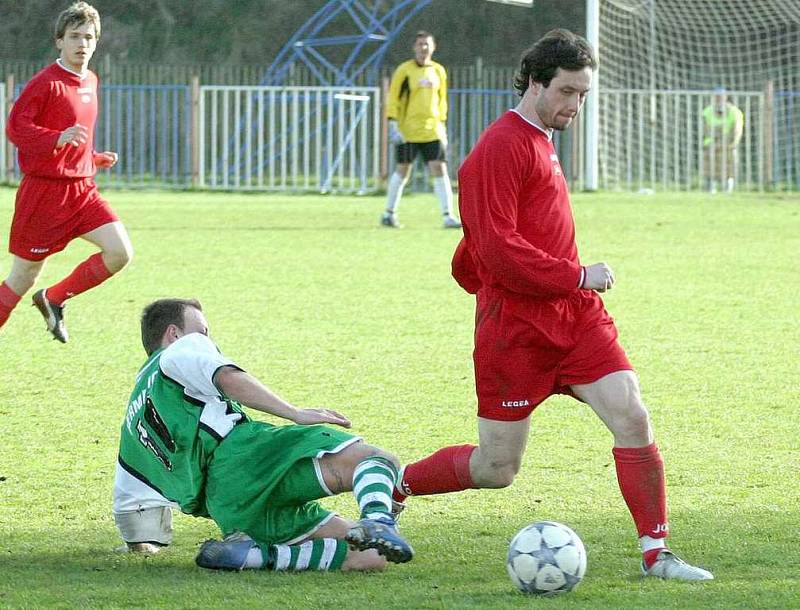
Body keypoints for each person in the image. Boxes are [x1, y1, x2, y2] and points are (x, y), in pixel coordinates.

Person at [390, 30, 713, 581]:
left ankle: (656, 553)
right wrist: (577, 273)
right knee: (496, 468)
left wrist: (570, 285)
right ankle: (393, 486)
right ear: (536, 81)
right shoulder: (499, 147)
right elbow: (495, 249)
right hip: (515, 329)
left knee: (632, 415)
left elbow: (485, 249)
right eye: (567, 92)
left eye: (583, 95)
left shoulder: (542, 136)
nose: (575, 106)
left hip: (575, 316)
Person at [112, 298, 414, 573]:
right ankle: (378, 519)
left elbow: (130, 507)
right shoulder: (180, 349)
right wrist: (294, 412)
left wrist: (140, 545)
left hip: (229, 508)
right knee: (375, 459)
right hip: (245, 458)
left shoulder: (132, 422)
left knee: (373, 556)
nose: (207, 340)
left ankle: (254, 556)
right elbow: (227, 377)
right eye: (203, 331)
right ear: (174, 333)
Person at [0, 2, 132, 343]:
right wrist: (56, 139)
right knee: (22, 277)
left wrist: (94, 157)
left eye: (88, 37)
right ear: (59, 41)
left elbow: (75, 136)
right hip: (44, 195)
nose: (82, 44)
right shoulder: (45, 82)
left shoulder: (90, 79)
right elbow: (16, 128)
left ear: (96, 42)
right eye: (74, 36)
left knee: (120, 252)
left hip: (82, 191)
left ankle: (54, 298)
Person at [381, 31, 461, 229]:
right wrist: (392, 123)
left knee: (439, 168)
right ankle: (388, 214)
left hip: (432, 130)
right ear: (414, 47)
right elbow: (394, 98)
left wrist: (442, 124)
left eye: (426, 44)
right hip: (408, 131)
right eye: (419, 44)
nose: (423, 48)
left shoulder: (438, 71)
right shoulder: (404, 70)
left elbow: (442, 100)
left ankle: (448, 216)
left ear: (433, 47)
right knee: (403, 170)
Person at [702, 87, 744, 194]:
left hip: (728, 144)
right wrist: (716, 142)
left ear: (726, 97)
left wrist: (729, 143)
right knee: (711, 161)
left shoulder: (734, 111)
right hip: (711, 144)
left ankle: (728, 186)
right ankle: (711, 186)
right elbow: (705, 130)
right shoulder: (707, 111)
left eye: (720, 96)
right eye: (716, 97)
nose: (718, 99)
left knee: (729, 162)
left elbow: (736, 130)